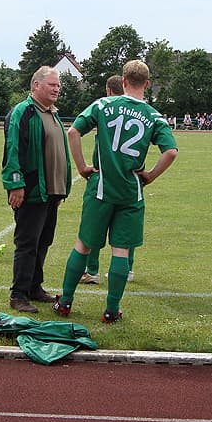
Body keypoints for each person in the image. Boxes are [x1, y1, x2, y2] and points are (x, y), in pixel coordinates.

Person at [54, 60, 178, 323]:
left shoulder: (102, 105)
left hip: (100, 188)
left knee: (84, 245)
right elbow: (170, 151)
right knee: (121, 251)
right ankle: (111, 310)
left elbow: (73, 132)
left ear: (123, 81)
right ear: (147, 84)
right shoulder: (155, 116)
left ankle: (65, 302)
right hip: (130, 192)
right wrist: (151, 176)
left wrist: (82, 167)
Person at [1, 66, 71, 313]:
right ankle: (18, 294)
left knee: (44, 240)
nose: (57, 89)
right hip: (31, 190)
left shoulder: (52, 113)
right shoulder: (23, 112)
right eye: (52, 84)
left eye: (58, 85)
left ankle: (34, 287)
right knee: (28, 242)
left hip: (51, 191)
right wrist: (16, 185)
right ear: (36, 86)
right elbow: (13, 150)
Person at [79, 74, 137, 285]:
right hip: (130, 179)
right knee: (126, 229)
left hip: (105, 178)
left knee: (96, 225)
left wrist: (82, 167)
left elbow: (74, 131)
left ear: (110, 91)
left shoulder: (105, 108)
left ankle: (92, 270)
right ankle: (128, 268)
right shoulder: (140, 112)